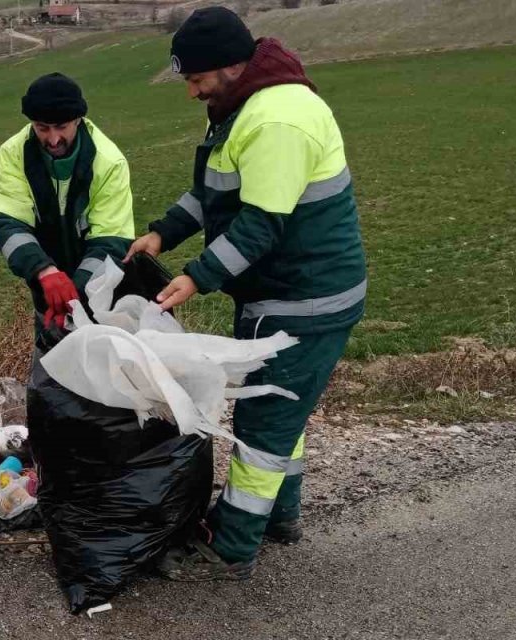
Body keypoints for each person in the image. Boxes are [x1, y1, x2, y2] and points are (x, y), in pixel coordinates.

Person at [127, 7, 367, 580]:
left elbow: (262, 225)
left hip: (302, 301)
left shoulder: (276, 121)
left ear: (231, 66)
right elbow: (213, 195)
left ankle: (231, 541)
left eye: (196, 79)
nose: (191, 92)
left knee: (262, 426)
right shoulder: (240, 106)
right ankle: (281, 516)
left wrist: (197, 277)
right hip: (284, 294)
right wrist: (163, 233)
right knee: (284, 409)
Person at [0, 72, 135, 350]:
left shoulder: (108, 161)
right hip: (46, 287)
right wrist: (44, 271)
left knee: (101, 372)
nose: (53, 139)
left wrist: (75, 297)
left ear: (78, 120)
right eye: (42, 128)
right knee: (50, 373)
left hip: (99, 291)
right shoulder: (13, 153)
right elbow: (8, 223)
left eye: (61, 127)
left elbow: (111, 239)